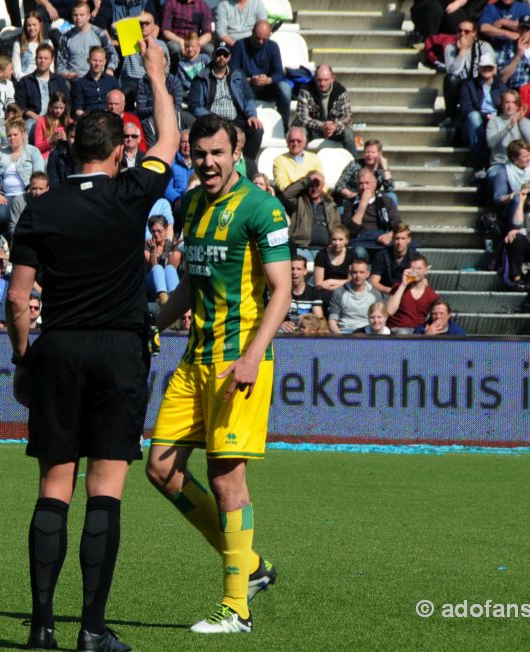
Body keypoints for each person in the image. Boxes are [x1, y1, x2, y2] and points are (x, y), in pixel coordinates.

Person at [7, 35, 178, 652]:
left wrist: (24, 358)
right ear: (116, 154)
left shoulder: (41, 209)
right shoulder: (131, 194)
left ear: (73, 150)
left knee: (55, 487)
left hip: (59, 350)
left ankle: (41, 627)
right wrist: (155, 74)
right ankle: (92, 631)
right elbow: (168, 142)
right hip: (119, 353)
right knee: (106, 489)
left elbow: (17, 299)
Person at [145, 112, 289, 635]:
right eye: (198, 153)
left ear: (237, 150)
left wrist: (252, 356)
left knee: (226, 478)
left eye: (216, 153)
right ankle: (248, 566)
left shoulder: (262, 208)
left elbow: (282, 291)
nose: (207, 162)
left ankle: (237, 608)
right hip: (194, 359)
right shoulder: (191, 204)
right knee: (160, 468)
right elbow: (192, 282)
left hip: (237, 363)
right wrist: (153, 322)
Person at [188, 41, 264, 160]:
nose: (221, 57)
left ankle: (248, 165)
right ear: (213, 55)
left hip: (236, 119)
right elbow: (194, 106)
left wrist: (252, 115)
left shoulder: (238, 75)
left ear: (230, 57)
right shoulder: (201, 78)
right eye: (218, 54)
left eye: (225, 54)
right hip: (212, 121)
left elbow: (249, 97)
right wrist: (214, 119)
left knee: (257, 129)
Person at [231, 20, 290, 130]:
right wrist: (248, 80)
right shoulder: (240, 46)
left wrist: (269, 80)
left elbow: (279, 74)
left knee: (285, 89)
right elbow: (232, 72)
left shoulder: (272, 47)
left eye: (264, 39)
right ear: (252, 32)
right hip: (246, 87)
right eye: (258, 38)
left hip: (267, 88)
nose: (261, 42)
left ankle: (284, 126)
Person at [0, 117, 44, 230]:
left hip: (26, 194)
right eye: (9, 135)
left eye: (15, 134)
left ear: (23, 134)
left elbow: (39, 176)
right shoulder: (1, 154)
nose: (11, 138)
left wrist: (30, 191)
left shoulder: (33, 152)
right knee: (0, 215)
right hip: (5, 195)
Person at [293, 63, 357, 156]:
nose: (322, 83)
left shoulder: (340, 91)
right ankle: (299, 162)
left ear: (332, 78)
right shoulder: (305, 90)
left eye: (326, 80)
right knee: (300, 133)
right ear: (314, 78)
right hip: (313, 129)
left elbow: (347, 117)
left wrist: (334, 126)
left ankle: (355, 165)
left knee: (348, 133)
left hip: (334, 130)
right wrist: (322, 126)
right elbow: (302, 117)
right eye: (319, 80)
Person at [279, 169, 341, 262]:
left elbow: (337, 226)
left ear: (323, 185)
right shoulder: (299, 200)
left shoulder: (330, 204)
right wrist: (307, 180)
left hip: (325, 249)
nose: (314, 188)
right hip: (302, 248)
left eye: (317, 185)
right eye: (311, 185)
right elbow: (286, 194)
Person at [459, 52, 506, 171]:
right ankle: (478, 157)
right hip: (476, 122)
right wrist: (486, 116)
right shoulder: (468, 85)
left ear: (495, 69)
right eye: (484, 67)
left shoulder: (501, 86)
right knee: (473, 116)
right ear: (478, 68)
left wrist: (496, 118)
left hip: (496, 121)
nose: (487, 70)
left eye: (489, 67)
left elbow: (506, 106)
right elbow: (466, 108)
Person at [442, 19, 495, 122]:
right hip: (460, 85)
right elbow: (453, 72)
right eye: (460, 30)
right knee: (450, 79)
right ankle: (450, 116)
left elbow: (490, 69)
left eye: (466, 31)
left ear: (474, 33)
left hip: (478, 85)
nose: (462, 34)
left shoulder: (484, 47)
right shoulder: (450, 48)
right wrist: (462, 51)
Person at [343, 167, 401, 260]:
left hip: (380, 240)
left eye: (367, 183)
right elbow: (349, 232)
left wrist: (389, 235)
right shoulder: (350, 203)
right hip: (360, 241)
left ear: (375, 184)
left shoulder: (386, 201)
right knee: (359, 252)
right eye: (361, 184)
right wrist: (362, 204)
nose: (364, 187)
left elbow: (398, 226)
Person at [491, 138, 530, 226]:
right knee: (517, 199)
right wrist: (514, 195)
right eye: (525, 157)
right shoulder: (504, 172)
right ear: (514, 158)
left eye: (529, 155)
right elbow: (498, 198)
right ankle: (515, 229)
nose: (529, 158)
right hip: (512, 208)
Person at [55, 1, 117, 82]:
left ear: (88, 16)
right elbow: (60, 62)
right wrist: (65, 74)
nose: (78, 18)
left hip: (96, 81)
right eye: (75, 15)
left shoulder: (98, 33)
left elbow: (112, 53)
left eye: (81, 15)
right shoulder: (66, 37)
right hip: (74, 82)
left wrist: (110, 68)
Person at [15, 43, 69, 134]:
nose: (42, 61)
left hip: (57, 117)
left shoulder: (59, 80)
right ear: (35, 59)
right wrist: (36, 117)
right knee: (29, 126)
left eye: (46, 58)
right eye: (39, 58)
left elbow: (67, 101)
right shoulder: (25, 81)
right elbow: (20, 106)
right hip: (34, 119)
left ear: (52, 60)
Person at [119, 12, 168, 110]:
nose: (144, 26)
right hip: (130, 80)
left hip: (149, 79)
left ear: (154, 26)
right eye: (141, 23)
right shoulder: (128, 39)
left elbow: (166, 66)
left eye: (147, 23)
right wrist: (136, 19)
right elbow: (114, 27)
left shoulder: (160, 45)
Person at [386, 254, 439, 334]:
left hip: (418, 331)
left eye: (419, 268)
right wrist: (404, 284)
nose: (415, 271)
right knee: (402, 333)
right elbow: (390, 311)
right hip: (397, 329)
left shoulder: (432, 295)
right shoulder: (398, 287)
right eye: (412, 268)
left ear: (426, 271)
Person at [334, 139, 397, 206]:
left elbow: (390, 188)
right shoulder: (355, 164)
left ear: (379, 154)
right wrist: (350, 194)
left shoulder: (382, 168)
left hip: (372, 199)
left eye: (373, 152)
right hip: (351, 199)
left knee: (392, 196)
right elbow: (339, 185)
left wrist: (385, 167)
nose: (370, 155)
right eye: (367, 152)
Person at [327, 259, 383, 334]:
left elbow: (380, 320)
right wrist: (341, 338)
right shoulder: (339, 292)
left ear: (367, 274)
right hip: (345, 332)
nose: (358, 276)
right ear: (350, 273)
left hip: (367, 333)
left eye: (361, 272)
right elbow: (332, 321)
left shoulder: (375, 294)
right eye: (355, 272)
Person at [71, 45, 120, 116]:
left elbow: (118, 104)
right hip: (88, 121)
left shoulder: (112, 82)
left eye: (100, 61)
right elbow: (77, 109)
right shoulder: (80, 84)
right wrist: (89, 118)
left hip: (109, 119)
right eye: (94, 60)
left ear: (105, 62)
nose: (97, 64)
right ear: (88, 60)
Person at [271, 126, 323, 193]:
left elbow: (322, 182)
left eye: (299, 141)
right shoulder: (279, 160)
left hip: (311, 196)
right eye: (292, 141)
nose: (295, 143)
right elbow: (282, 185)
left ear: (305, 142)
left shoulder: (314, 158)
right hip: (290, 198)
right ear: (287, 142)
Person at [162, 0, 213, 67]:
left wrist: (197, 44)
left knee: (209, 49)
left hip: (195, 40)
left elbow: (208, 34)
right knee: (175, 48)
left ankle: (209, 74)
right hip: (176, 40)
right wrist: (181, 41)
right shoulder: (171, 4)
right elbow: (165, 31)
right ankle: (175, 73)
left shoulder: (203, 6)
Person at [370, 223, 417, 295]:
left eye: (403, 238)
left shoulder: (415, 258)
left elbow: (420, 281)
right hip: (385, 293)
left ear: (409, 240)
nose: (399, 242)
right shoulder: (381, 255)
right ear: (392, 239)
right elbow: (374, 282)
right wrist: (391, 291)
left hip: (407, 293)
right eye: (397, 238)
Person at [280, 255, 323, 332]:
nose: (294, 272)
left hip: (306, 331)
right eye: (292, 269)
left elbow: (319, 318)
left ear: (305, 271)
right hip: (286, 331)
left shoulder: (313, 292)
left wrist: (307, 319)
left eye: (299, 269)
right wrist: (280, 323)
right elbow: (273, 316)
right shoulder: (281, 291)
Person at [313, 224, 351, 310]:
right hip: (325, 291)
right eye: (334, 239)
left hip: (345, 290)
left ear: (346, 241)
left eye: (340, 239)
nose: (337, 243)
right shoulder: (322, 255)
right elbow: (319, 284)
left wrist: (331, 281)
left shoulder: (351, 255)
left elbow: (351, 281)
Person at [145, 214, 180, 304]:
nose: (156, 234)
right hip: (153, 287)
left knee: (169, 269)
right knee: (157, 268)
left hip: (169, 285)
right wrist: (153, 250)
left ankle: (174, 300)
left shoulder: (170, 245)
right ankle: (164, 301)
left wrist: (170, 250)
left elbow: (173, 267)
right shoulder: (147, 246)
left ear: (166, 230)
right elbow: (152, 267)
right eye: (153, 231)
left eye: (159, 231)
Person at [33, 90, 71, 159]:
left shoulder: (69, 122)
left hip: (65, 156)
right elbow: (37, 148)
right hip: (47, 157)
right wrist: (51, 139)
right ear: (51, 106)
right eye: (56, 107)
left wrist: (67, 139)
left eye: (61, 108)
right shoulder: (41, 121)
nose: (58, 111)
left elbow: (75, 144)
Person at [12, 12, 48, 81]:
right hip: (25, 80)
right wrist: (27, 81)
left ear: (40, 25)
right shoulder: (18, 44)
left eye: (34, 25)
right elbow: (16, 70)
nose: (31, 28)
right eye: (29, 25)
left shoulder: (47, 43)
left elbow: (51, 68)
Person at [47, 121, 76, 187]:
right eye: (72, 137)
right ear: (67, 137)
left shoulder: (87, 156)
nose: (75, 141)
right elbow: (54, 183)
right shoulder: (55, 155)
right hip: (62, 193)